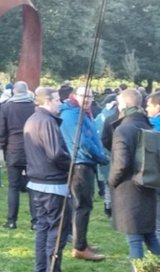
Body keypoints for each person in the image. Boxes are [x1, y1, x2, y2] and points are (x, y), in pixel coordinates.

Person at [109, 88, 160, 269]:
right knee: (149, 235)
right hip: (148, 185)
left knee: (135, 239)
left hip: (128, 190)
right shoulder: (148, 125)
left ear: (124, 105)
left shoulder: (122, 129)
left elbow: (121, 164)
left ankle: (136, 269)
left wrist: (112, 181)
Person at [24, 85, 72, 272]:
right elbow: (55, 154)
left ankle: (41, 268)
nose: (60, 104)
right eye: (57, 100)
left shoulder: (33, 119)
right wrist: (71, 165)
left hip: (37, 182)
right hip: (52, 184)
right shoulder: (46, 121)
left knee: (43, 230)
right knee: (56, 232)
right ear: (47, 101)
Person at [61, 84, 110, 261]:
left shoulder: (81, 112)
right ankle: (79, 247)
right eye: (84, 96)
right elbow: (82, 142)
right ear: (75, 96)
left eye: (90, 97)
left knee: (83, 205)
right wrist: (101, 157)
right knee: (82, 205)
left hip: (86, 163)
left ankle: (81, 241)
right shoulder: (72, 114)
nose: (88, 100)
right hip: (80, 165)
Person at [0, 79, 37, 229]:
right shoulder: (34, 107)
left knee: (13, 186)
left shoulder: (6, 107)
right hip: (32, 149)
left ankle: (11, 220)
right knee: (32, 186)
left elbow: (1, 131)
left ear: (14, 91)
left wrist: (4, 148)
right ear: (27, 91)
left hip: (13, 149)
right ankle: (35, 222)